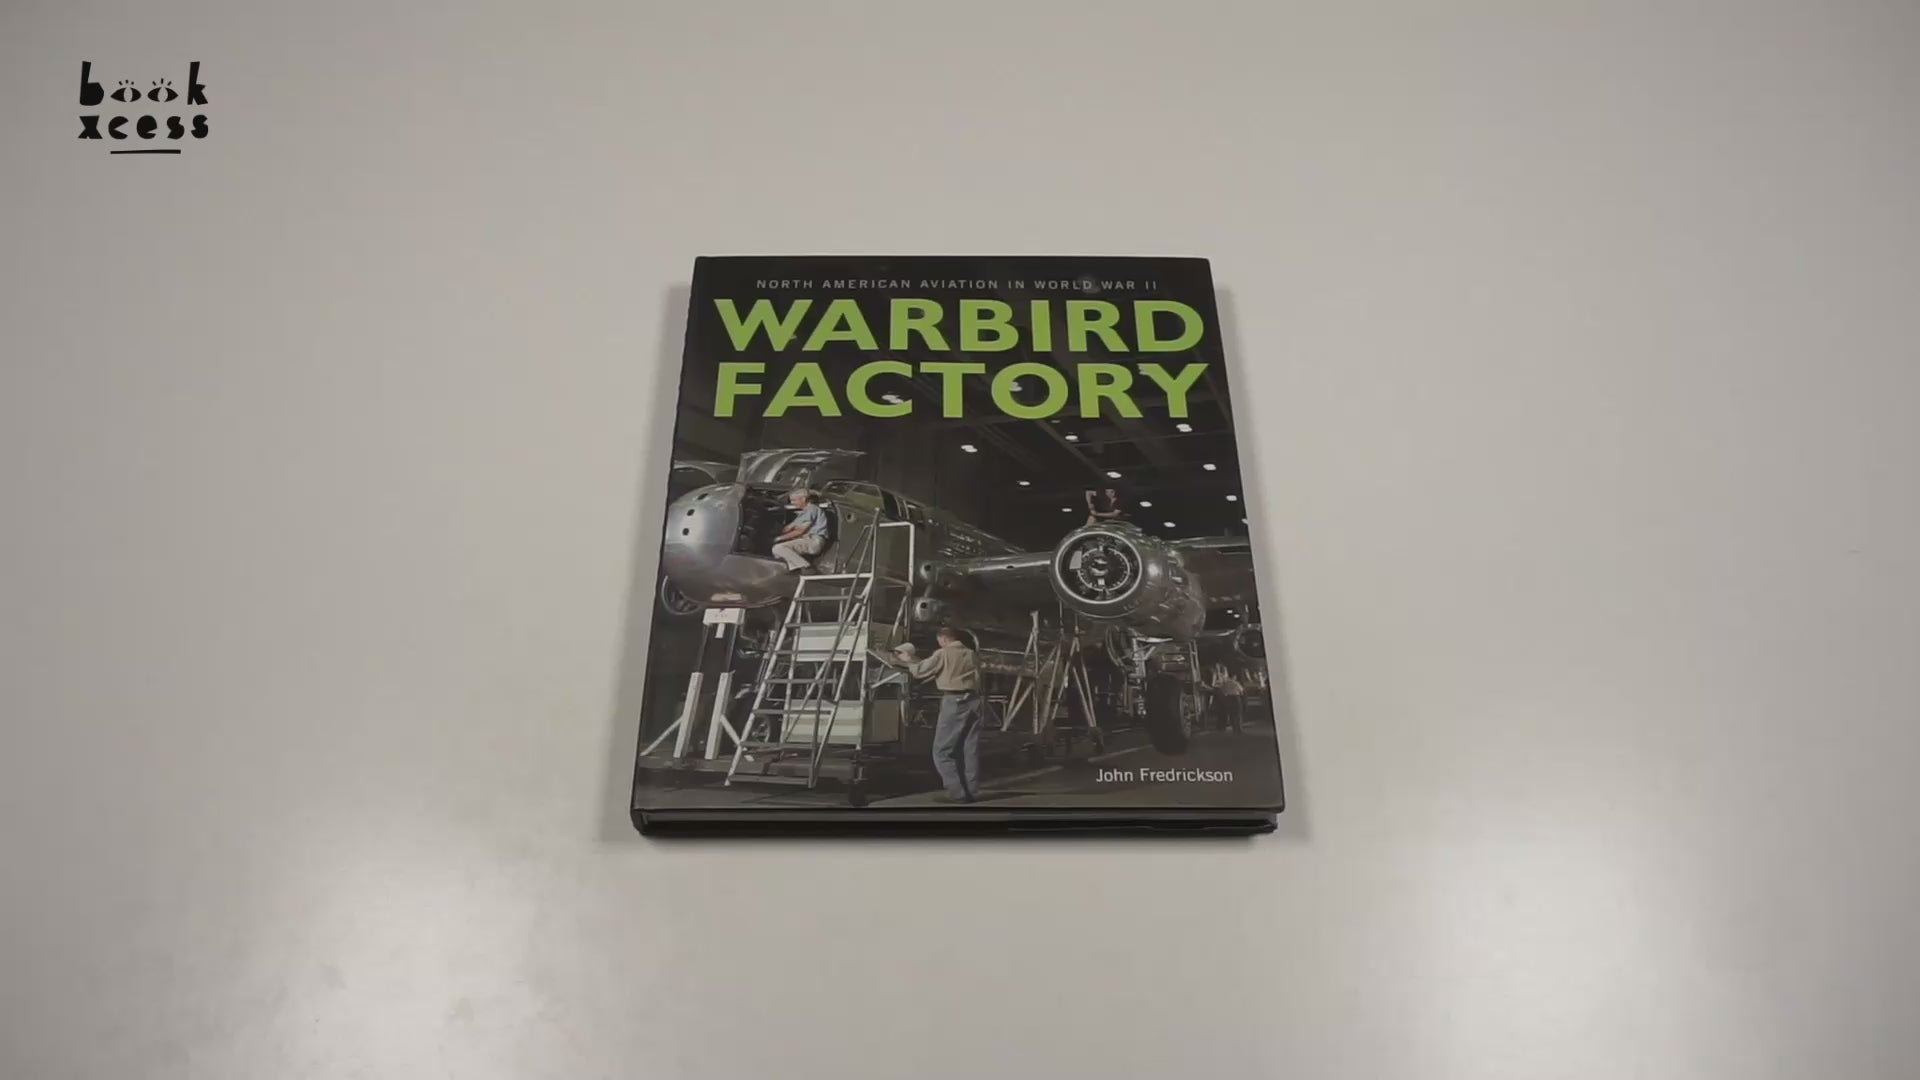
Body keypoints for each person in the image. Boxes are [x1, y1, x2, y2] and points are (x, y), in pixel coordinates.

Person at [891, 626, 983, 802]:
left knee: (942, 751)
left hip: (954, 701)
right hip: (974, 700)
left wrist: (908, 660)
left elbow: (920, 671)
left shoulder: (943, 653)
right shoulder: (971, 653)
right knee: (969, 748)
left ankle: (957, 793)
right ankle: (971, 791)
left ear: (943, 639)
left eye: (939, 641)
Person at [770, 487, 830, 572]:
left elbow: (800, 531)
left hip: (813, 541)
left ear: (803, 499)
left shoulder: (811, 509)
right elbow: (788, 528)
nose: (792, 503)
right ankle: (795, 569)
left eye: (794, 500)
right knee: (777, 553)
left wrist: (779, 538)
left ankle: (807, 568)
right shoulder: (803, 513)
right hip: (807, 540)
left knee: (778, 548)